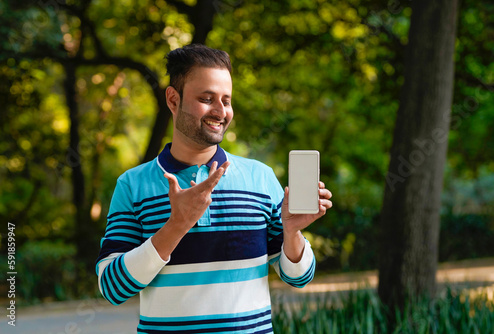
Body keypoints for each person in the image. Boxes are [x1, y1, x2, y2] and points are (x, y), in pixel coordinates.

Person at [96, 44, 333, 333]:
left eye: (227, 100)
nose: (220, 111)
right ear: (173, 100)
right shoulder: (132, 185)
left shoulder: (260, 178)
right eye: (207, 99)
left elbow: (299, 277)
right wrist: (176, 225)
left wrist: (292, 232)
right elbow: (112, 288)